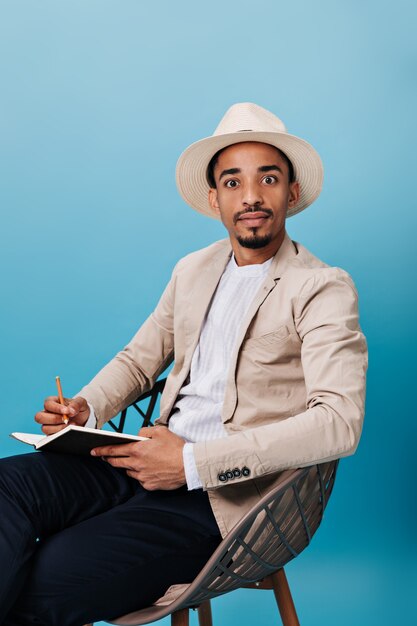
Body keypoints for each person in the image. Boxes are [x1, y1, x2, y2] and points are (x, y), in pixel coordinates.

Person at [0, 102, 368, 625]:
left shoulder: (322, 288)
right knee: (6, 488)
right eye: (233, 182)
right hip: (140, 460)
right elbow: (138, 360)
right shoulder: (193, 270)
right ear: (215, 198)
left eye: (268, 178)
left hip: (223, 502)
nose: (252, 197)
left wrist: (192, 463)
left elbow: (339, 422)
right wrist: (86, 407)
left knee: (47, 575)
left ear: (293, 192)